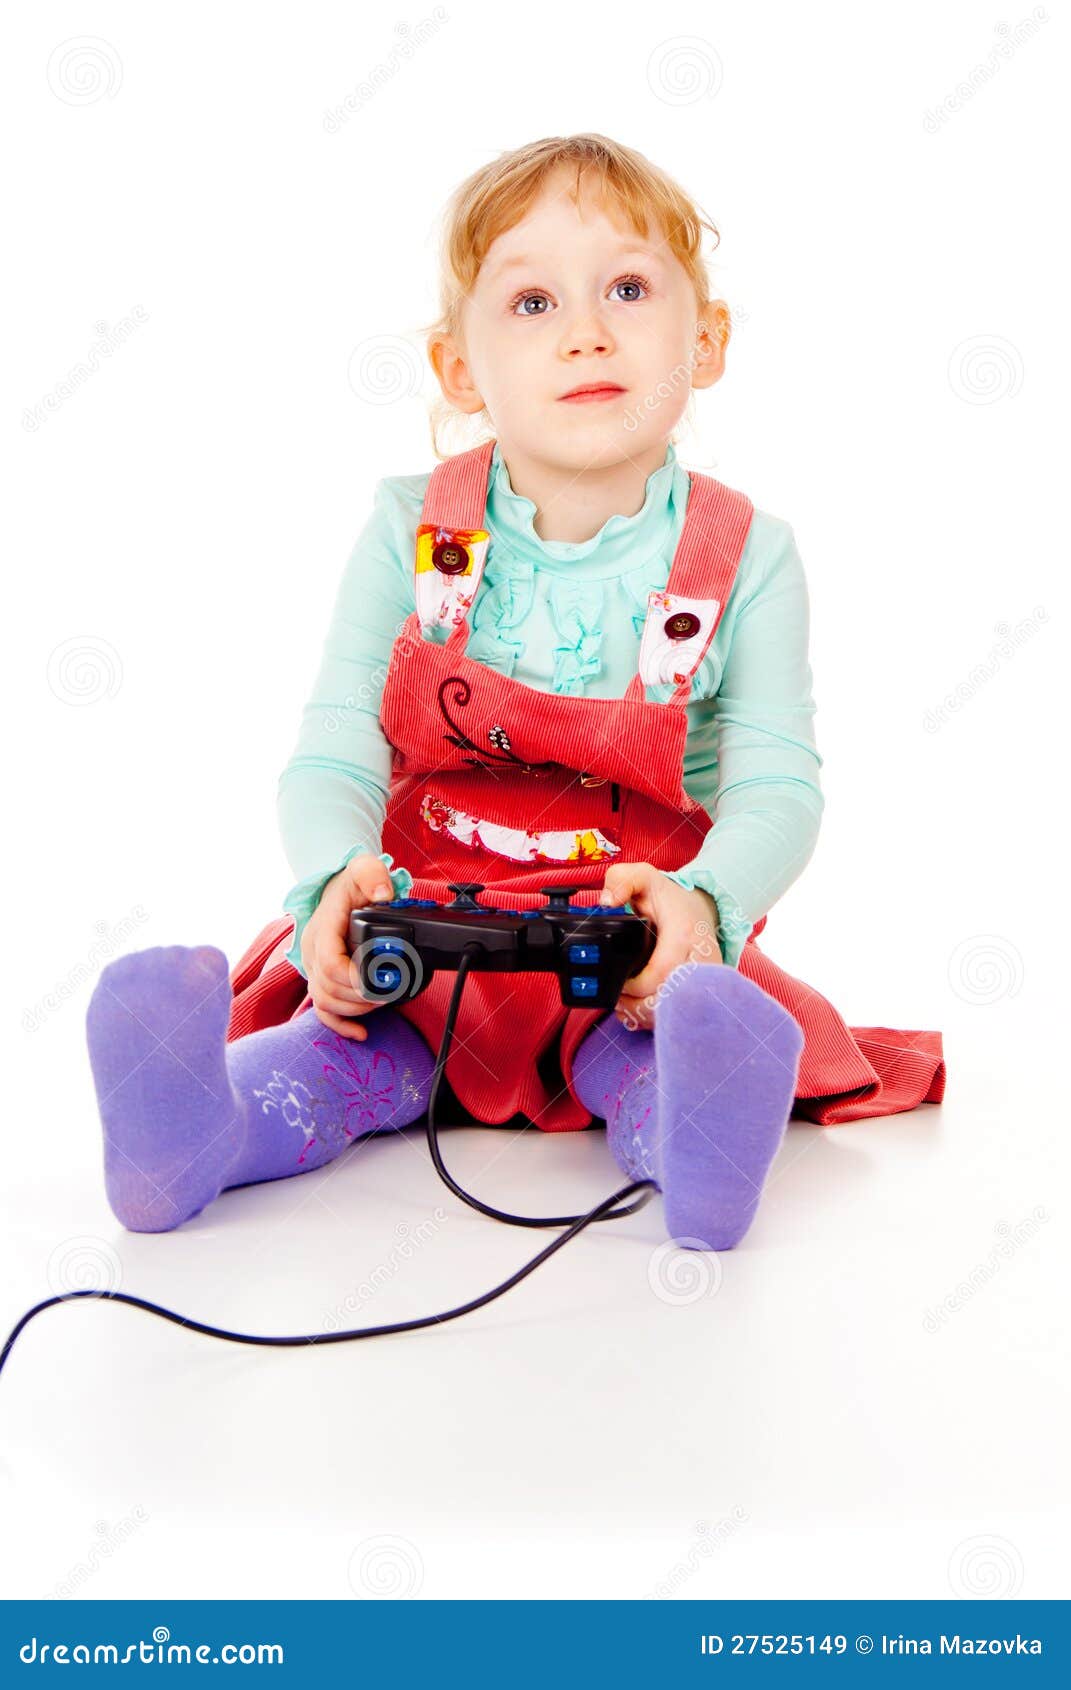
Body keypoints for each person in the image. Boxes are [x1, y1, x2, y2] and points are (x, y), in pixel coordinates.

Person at [85, 134, 945, 1248]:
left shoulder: (749, 556)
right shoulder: (410, 532)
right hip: (422, 949)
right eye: (532, 302)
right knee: (339, 1053)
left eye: (629, 288)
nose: (588, 329)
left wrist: (709, 904)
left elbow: (778, 782)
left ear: (708, 338)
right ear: (457, 368)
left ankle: (701, 1143)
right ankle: (191, 1134)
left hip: (622, 955)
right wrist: (331, 881)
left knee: (649, 1054)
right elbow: (337, 742)